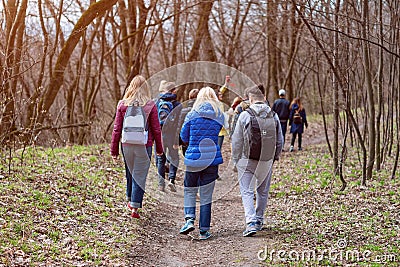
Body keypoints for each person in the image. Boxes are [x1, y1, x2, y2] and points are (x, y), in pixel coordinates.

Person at [231, 86, 283, 237]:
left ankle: (251, 222)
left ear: (250, 98)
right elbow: (280, 140)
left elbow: (237, 141)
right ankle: (259, 219)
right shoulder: (274, 115)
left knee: (246, 190)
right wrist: (275, 157)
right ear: (264, 97)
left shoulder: (245, 115)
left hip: (247, 159)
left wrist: (236, 159)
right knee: (262, 190)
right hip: (266, 159)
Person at [111, 75, 164, 218]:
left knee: (129, 172)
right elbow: (156, 129)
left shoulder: (122, 104)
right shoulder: (150, 105)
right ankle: (135, 206)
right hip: (144, 145)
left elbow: (117, 128)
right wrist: (159, 149)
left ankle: (130, 199)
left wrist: (114, 150)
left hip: (126, 144)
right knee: (139, 175)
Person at [179, 87, 225, 240]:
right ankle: (204, 230)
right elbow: (219, 131)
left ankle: (189, 219)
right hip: (211, 159)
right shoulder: (219, 115)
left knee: (190, 189)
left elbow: (183, 136)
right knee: (206, 195)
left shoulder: (192, 114)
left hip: (194, 158)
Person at [156, 80, 182, 192]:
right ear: (173, 90)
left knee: (160, 159)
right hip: (172, 136)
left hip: (160, 135)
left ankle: (161, 184)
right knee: (174, 158)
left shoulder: (157, 102)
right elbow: (179, 124)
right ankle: (171, 180)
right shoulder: (178, 105)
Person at [178, 88, 199, 156]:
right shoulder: (203, 111)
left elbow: (180, 127)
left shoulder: (184, 111)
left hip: (186, 141)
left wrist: (179, 141)